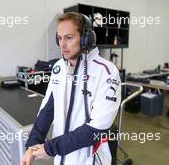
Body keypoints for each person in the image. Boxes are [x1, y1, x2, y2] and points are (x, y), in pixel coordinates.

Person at [21, 12, 121, 165]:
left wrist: (50, 148)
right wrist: (32, 144)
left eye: (68, 38)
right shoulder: (59, 67)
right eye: (59, 38)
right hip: (61, 158)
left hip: (89, 160)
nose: (62, 44)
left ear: (86, 39)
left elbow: (97, 129)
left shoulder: (107, 72)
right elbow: (48, 109)